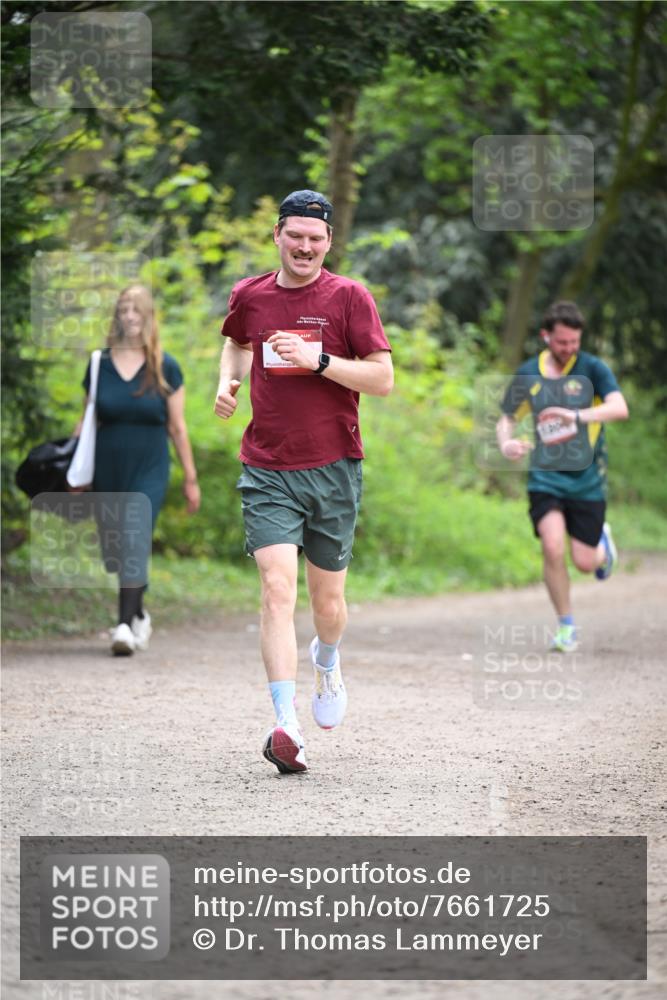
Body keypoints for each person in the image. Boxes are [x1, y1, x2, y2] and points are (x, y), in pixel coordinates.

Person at [214, 189, 393, 774]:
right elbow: (237, 342)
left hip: (334, 467)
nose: (305, 247)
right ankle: (285, 724)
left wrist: (316, 360)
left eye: (315, 238)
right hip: (267, 467)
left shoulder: (349, 297)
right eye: (295, 235)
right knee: (275, 588)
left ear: (329, 242)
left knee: (328, 604)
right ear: (277, 236)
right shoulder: (251, 295)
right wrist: (228, 382)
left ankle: (328, 658)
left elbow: (382, 379)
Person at [496, 300, 629, 652]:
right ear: (546, 336)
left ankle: (601, 546)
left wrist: (578, 416)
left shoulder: (593, 369)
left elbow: (620, 408)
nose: (569, 348)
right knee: (552, 546)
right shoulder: (529, 373)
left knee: (585, 563)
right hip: (545, 476)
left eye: (574, 342)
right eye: (561, 342)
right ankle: (566, 625)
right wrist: (507, 442)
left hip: (586, 478)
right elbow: (507, 418)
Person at [78, 284, 200, 655]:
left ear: (148, 317)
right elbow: (85, 421)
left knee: (133, 537)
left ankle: (123, 626)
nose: (129, 317)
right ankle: (139, 612)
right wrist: (71, 470)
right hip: (107, 465)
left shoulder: (166, 366)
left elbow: (177, 427)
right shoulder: (98, 364)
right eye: (123, 310)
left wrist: (190, 478)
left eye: (136, 310)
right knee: (114, 549)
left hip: (150, 465)